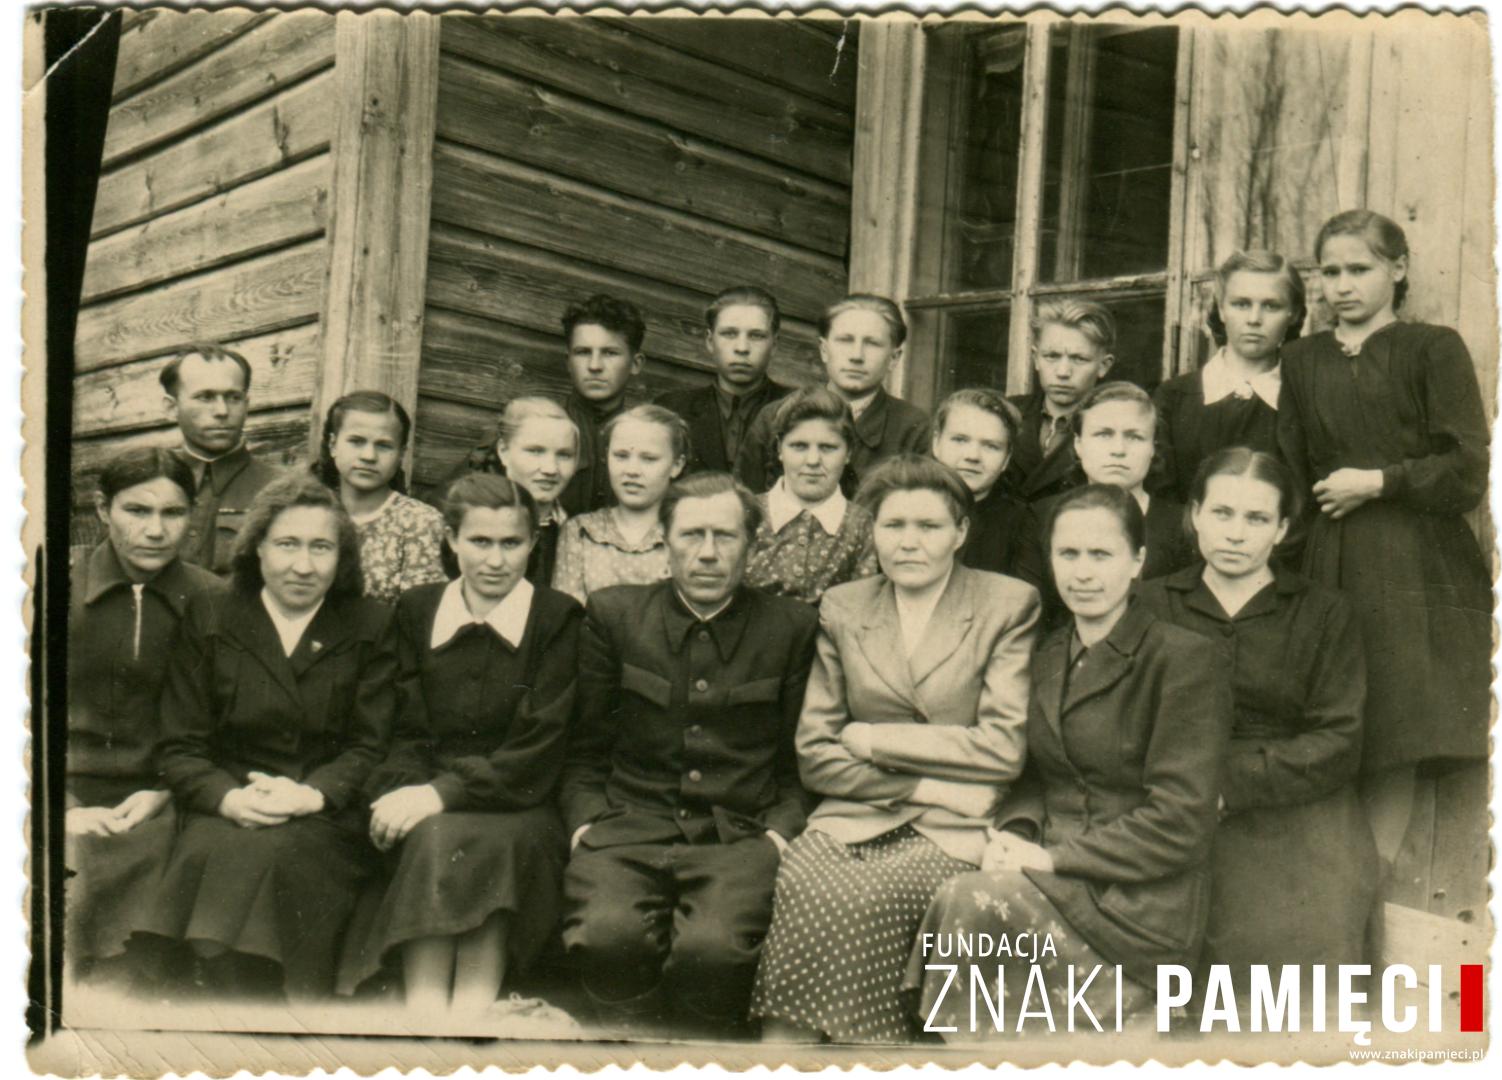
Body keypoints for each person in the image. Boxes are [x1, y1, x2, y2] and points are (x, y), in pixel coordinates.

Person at [907, 485, 1232, 1036]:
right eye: (1068, 554)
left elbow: (1182, 819)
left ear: (1137, 562)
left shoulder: (1183, 659)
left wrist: (1051, 859)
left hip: (1136, 901)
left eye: (1101, 555)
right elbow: (1034, 774)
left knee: (968, 902)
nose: (1083, 573)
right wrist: (1014, 836)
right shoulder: (1047, 655)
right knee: (961, 897)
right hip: (1048, 873)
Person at [752, 455, 1040, 1044]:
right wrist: (931, 785)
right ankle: (784, 1057)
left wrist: (874, 737)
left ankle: (871, 1055)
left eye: (929, 526)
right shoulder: (846, 605)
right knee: (804, 881)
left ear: (961, 532)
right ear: (873, 531)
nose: (909, 542)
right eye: (893, 525)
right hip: (863, 812)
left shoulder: (1007, 604)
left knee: (874, 897)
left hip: (954, 829)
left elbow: (1002, 748)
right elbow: (816, 752)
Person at [558, 472, 819, 1036]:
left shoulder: (791, 627)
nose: (707, 553)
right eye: (691, 535)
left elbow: (797, 765)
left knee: (715, 951)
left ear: (752, 545)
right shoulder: (615, 615)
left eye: (725, 536)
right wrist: (585, 826)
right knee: (606, 936)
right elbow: (584, 752)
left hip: (738, 837)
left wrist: (776, 838)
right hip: (627, 830)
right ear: (665, 539)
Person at [1277, 209, 1491, 863]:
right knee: (1332, 723)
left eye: (1359, 269)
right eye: (1330, 271)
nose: (1342, 285)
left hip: (1415, 568)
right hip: (1329, 559)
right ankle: (1332, 887)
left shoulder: (1433, 348)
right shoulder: (1302, 360)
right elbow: (1291, 472)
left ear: (1397, 270)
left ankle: (1371, 888)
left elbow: (1468, 469)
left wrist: (1380, 481)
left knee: (1395, 733)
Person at [134, 474, 397, 1000]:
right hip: (229, 802)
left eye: (321, 547)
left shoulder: (371, 624)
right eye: (287, 544)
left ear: (342, 557)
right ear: (257, 548)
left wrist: (311, 795)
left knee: (281, 858)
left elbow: (373, 744)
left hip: (327, 812)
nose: (303, 565)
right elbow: (180, 743)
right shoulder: (212, 614)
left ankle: (277, 1012)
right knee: (217, 851)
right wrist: (227, 798)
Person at [1137, 449, 1377, 1001]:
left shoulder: (1322, 612)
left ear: (1283, 529)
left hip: (1295, 804)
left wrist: (1231, 783)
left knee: (1309, 930)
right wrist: (1187, 788)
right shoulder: (1149, 603)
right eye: (1222, 513)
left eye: (1257, 518)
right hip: (1172, 796)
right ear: (1195, 514)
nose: (1236, 533)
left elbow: (1339, 739)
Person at [338, 474, 582, 1013]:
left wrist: (441, 794)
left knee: (484, 844)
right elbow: (401, 726)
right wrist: (406, 792)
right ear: (451, 539)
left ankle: (470, 1014)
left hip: (520, 803)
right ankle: (426, 1014)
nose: (495, 560)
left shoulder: (558, 617)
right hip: (425, 797)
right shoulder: (416, 610)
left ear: (533, 543)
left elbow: (540, 744)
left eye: (511, 543)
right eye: (479, 541)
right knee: (435, 836)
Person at [66, 449, 221, 983]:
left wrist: (167, 791)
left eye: (173, 513)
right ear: (102, 509)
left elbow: (227, 720)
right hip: (62, 791)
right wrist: (56, 805)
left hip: (165, 797)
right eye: (137, 510)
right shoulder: (50, 586)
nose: (156, 531)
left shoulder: (214, 599)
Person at [443, 296, 645, 518]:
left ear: (635, 364)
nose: (594, 366)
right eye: (583, 352)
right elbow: (447, 504)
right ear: (568, 362)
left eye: (610, 353)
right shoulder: (531, 425)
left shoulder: (648, 436)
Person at [1153, 251, 1306, 502]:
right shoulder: (1174, 398)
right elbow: (1161, 499)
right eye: (1241, 304)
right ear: (1222, 309)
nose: (1254, 319)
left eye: (1271, 306)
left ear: (1294, 314)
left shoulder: (1305, 401)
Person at [735, 295, 929, 493]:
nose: (856, 356)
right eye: (845, 340)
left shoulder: (913, 429)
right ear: (824, 350)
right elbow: (745, 500)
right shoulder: (773, 416)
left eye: (872, 343)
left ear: (894, 358)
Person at [745, 387, 878, 604]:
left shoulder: (861, 525)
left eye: (828, 447)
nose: (813, 460)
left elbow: (861, 608)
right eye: (799, 446)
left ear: (848, 453)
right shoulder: (747, 514)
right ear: (779, 449)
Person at [315, 390, 447, 605]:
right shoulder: (309, 513)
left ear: (401, 454)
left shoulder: (419, 522)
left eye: (384, 445)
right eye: (356, 441)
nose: (369, 456)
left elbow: (421, 613)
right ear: (333, 445)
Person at [161, 342, 280, 574]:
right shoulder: (151, 483)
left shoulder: (280, 489)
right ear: (171, 408)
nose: (222, 411)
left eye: (234, 397)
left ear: (247, 405)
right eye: (205, 397)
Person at [440, 396, 581, 587]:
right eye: (535, 451)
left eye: (564, 455)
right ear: (503, 451)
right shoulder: (465, 520)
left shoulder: (577, 530)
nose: (550, 468)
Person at [552, 405, 686, 605]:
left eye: (649, 459)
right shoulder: (581, 531)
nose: (632, 470)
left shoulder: (686, 532)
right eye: (621, 456)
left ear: (676, 465)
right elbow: (567, 611)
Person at [657, 286, 794, 474]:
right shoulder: (672, 409)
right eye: (729, 333)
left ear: (774, 345)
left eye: (756, 336)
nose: (742, 348)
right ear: (710, 341)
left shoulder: (795, 408)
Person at [1004, 300, 1116, 503]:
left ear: (1104, 366)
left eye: (1079, 359)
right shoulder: (1006, 413)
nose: (1063, 372)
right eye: (1052, 356)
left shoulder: (1117, 427)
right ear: (1036, 358)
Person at [930, 388, 1043, 586]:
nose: (973, 456)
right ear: (936, 443)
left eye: (991, 446)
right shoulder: (899, 506)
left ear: (1007, 458)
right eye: (960, 440)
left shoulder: (1023, 524)